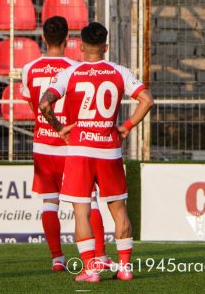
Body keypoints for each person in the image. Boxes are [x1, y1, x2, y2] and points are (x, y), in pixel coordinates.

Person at [39, 22, 154, 283]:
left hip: (80, 150)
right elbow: (147, 99)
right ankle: (125, 268)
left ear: (80, 46)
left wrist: (59, 127)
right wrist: (126, 127)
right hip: (108, 150)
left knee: (81, 211)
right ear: (106, 46)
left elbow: (45, 103)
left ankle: (90, 270)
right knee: (119, 210)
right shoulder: (119, 72)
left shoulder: (71, 72)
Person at [21, 16, 110, 272]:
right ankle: (101, 255)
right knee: (88, 201)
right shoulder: (74, 67)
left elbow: (34, 104)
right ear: (69, 39)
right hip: (72, 144)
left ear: (43, 38)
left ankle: (57, 258)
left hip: (43, 145)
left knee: (50, 202)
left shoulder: (30, 68)